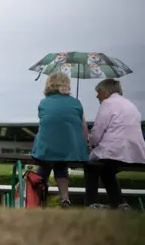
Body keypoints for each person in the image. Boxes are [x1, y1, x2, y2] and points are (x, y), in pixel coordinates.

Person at [85, 79, 145, 210]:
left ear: (106, 91)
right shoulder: (130, 105)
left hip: (114, 151)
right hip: (135, 153)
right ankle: (120, 203)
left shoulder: (107, 104)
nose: (97, 96)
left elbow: (97, 131)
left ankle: (92, 203)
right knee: (107, 171)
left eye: (98, 92)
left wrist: (90, 144)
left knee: (91, 166)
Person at [31, 72, 89, 208]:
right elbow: (84, 129)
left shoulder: (44, 103)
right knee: (61, 164)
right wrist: (85, 146)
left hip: (46, 148)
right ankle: (65, 199)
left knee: (45, 164)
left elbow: (45, 125)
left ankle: (36, 200)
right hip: (69, 149)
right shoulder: (76, 103)